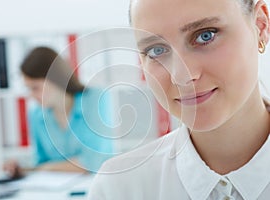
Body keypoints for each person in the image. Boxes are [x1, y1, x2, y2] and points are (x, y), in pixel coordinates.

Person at [88, 0, 270, 199]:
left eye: (205, 36)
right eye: (156, 50)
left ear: (261, 25)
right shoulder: (118, 188)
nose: (181, 76)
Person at [4, 46, 113, 178]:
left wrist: (44, 168)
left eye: (35, 88)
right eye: (28, 89)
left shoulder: (96, 99)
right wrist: (21, 167)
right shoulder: (36, 115)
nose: (31, 95)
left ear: (56, 79)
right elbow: (39, 161)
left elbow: (92, 162)